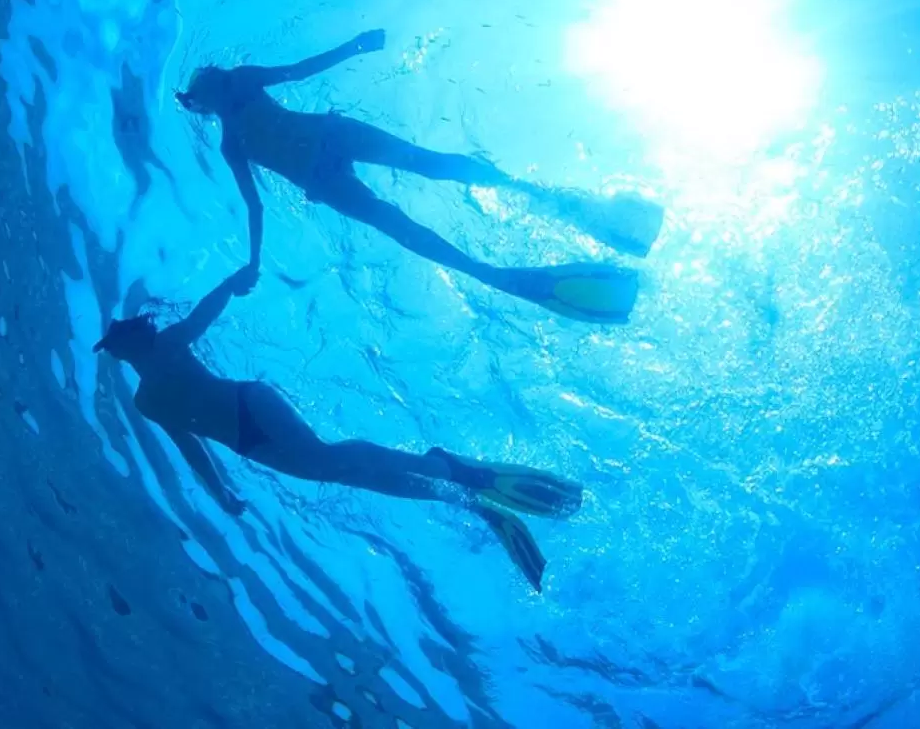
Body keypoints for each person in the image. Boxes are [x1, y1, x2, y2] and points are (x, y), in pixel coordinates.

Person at [95, 265, 583, 591]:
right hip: (246, 441)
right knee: (345, 472)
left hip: (251, 405)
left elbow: (206, 311)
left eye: (129, 329)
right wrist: (221, 493)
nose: (136, 332)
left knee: (327, 458)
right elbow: (190, 447)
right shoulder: (147, 401)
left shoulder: (170, 344)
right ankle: (457, 494)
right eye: (126, 333)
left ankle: (447, 468)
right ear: (120, 350)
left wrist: (232, 281)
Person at [176, 30, 664, 324]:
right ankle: (488, 274)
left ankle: (542, 196)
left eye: (208, 79)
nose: (212, 83)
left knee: (426, 162)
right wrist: (255, 260)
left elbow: (300, 69)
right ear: (203, 103)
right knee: (400, 227)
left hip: (333, 138)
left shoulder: (243, 79)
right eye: (203, 89)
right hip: (324, 180)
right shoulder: (229, 143)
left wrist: (355, 46)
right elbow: (254, 206)